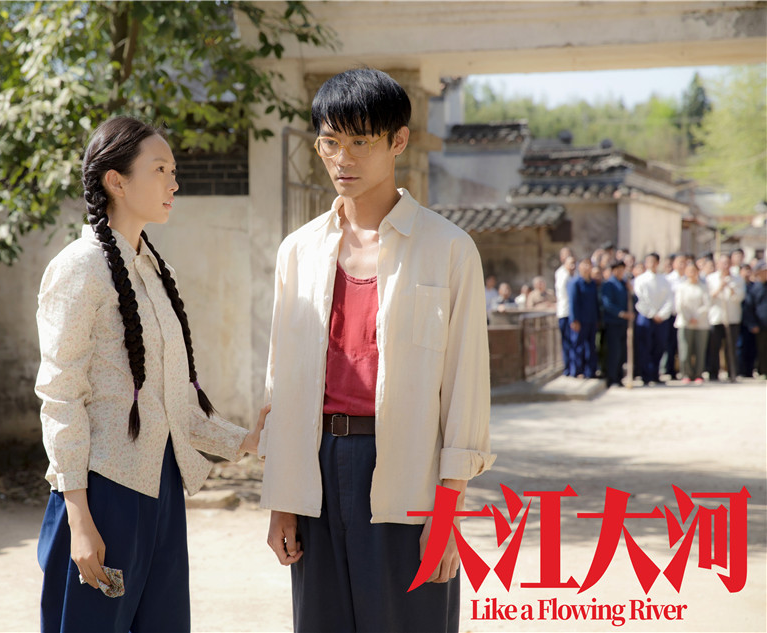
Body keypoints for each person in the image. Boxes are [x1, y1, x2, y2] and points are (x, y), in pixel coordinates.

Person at [259, 68, 495, 633]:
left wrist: (447, 511)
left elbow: (466, 391)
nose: (343, 159)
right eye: (330, 142)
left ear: (398, 141)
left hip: (407, 472)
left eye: (360, 142)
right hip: (315, 471)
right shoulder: (298, 252)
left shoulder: (448, 249)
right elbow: (281, 385)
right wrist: (282, 500)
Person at [34, 117, 268, 633]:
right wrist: (79, 518)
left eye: (174, 171)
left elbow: (174, 402)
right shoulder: (78, 268)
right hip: (102, 494)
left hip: (161, 494)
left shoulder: (159, 273)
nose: (173, 183)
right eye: (160, 169)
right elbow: (60, 396)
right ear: (116, 181)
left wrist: (245, 441)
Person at [633, 253, 672, 385]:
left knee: (660, 346)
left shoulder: (664, 280)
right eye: (648, 261)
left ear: (658, 263)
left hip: (662, 318)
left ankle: (655, 373)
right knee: (645, 346)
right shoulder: (640, 279)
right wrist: (652, 313)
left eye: (653, 261)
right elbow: (640, 299)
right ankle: (646, 374)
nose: (651, 264)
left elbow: (669, 299)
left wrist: (662, 314)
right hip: (645, 317)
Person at [706, 254, 745, 381]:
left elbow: (740, 297)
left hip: (732, 318)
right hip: (716, 317)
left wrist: (731, 288)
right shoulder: (711, 279)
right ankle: (713, 373)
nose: (725, 266)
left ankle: (732, 372)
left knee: (731, 347)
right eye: (723, 263)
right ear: (718, 264)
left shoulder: (737, 279)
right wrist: (720, 287)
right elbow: (708, 298)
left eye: (727, 263)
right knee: (714, 347)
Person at [674, 260, 712, 384]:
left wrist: (697, 316)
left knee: (700, 350)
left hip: (701, 323)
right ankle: (686, 373)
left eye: (694, 271)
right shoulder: (682, 287)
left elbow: (707, 304)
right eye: (689, 271)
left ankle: (698, 374)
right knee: (685, 350)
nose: (692, 273)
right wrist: (689, 317)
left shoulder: (703, 287)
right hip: (685, 322)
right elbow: (680, 305)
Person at [600, 260, 633, 387]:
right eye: (618, 269)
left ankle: (619, 377)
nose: (620, 272)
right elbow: (607, 304)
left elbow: (632, 300)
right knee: (614, 351)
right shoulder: (609, 284)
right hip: (613, 322)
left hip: (624, 324)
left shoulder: (625, 284)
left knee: (622, 352)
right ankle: (612, 377)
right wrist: (622, 313)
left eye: (622, 269)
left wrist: (631, 291)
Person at [567, 257, 600, 378]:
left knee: (591, 346)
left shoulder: (592, 283)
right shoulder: (574, 283)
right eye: (584, 264)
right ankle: (577, 370)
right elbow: (573, 302)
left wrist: (597, 318)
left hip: (591, 319)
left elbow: (595, 302)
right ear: (579, 266)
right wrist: (574, 320)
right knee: (578, 346)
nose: (587, 267)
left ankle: (590, 371)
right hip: (580, 320)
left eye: (589, 265)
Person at [742, 261, 767, 378]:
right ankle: (763, 371)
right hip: (760, 324)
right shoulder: (755, 288)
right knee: (761, 349)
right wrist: (752, 323)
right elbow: (749, 308)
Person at [664, 253, 687, 378]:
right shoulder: (668, 279)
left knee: (683, 344)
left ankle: (683, 370)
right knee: (670, 343)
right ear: (674, 264)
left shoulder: (688, 278)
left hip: (685, 316)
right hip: (671, 315)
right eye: (680, 262)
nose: (682, 265)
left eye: (684, 262)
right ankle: (669, 369)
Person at [555, 251, 576, 375]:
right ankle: (568, 369)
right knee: (567, 342)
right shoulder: (562, 274)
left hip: (572, 312)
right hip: (565, 312)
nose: (573, 266)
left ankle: (573, 368)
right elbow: (565, 293)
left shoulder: (573, 274)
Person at [737, 263, 757, 377]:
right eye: (745, 270)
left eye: (749, 270)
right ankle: (740, 370)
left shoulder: (754, 286)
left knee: (751, 347)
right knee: (740, 347)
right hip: (738, 320)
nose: (747, 273)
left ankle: (749, 370)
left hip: (751, 320)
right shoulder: (737, 285)